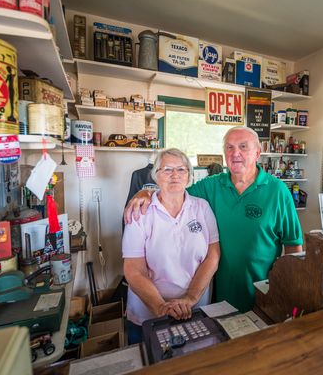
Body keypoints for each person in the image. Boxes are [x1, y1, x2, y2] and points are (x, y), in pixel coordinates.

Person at [126, 126, 302, 312]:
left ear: (257, 153)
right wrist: (146, 192)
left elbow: (293, 247)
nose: (235, 153)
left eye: (243, 147)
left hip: (263, 294)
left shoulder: (278, 191)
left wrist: (289, 289)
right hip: (218, 296)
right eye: (229, 147)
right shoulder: (211, 186)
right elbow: (175, 190)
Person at [122, 148, 220, 345]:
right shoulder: (141, 211)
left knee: (195, 357)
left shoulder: (202, 207)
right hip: (148, 314)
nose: (175, 175)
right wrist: (160, 307)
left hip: (194, 307)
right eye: (167, 169)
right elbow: (133, 269)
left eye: (181, 169)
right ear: (155, 176)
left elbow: (212, 256)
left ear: (189, 176)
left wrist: (190, 298)